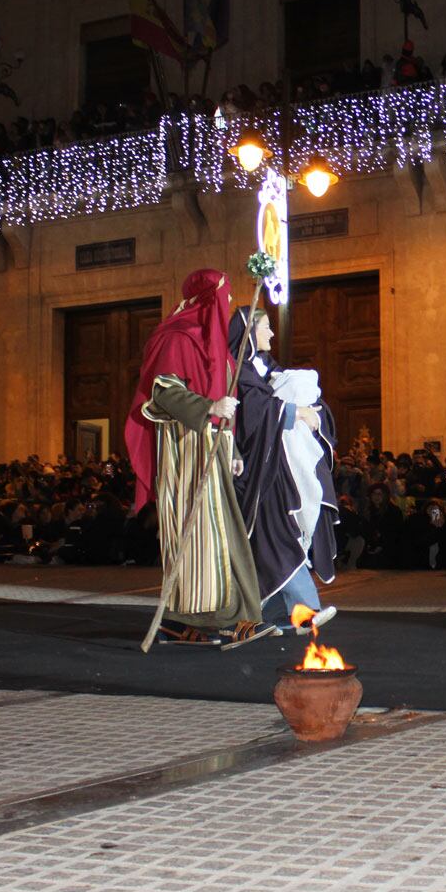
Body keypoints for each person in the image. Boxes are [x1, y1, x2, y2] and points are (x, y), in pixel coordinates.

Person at [125, 270, 268, 647]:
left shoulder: (215, 347)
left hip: (212, 449)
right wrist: (208, 407)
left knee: (220, 532)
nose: (225, 302)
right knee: (208, 538)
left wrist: (232, 448)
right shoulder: (176, 337)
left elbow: (225, 406)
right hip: (186, 454)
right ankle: (224, 618)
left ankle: (187, 618)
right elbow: (163, 393)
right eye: (222, 295)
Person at [226, 303, 341, 629]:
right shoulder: (239, 372)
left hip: (280, 468)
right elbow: (253, 415)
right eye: (265, 327)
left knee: (279, 539)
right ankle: (305, 611)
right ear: (249, 333)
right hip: (261, 471)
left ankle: (274, 616)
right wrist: (295, 413)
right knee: (282, 538)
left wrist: (312, 410)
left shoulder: (267, 367)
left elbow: (287, 393)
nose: (273, 333)